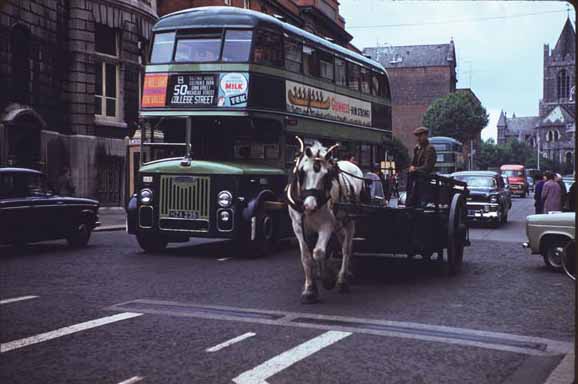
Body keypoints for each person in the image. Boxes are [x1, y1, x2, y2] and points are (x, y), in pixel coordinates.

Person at [406, 126, 436, 207]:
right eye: (417, 136)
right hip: (418, 177)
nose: (418, 138)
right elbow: (413, 163)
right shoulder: (418, 149)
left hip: (426, 178)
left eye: (420, 136)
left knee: (419, 183)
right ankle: (409, 201)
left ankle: (419, 202)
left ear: (425, 136)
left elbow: (428, 167)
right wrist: (411, 168)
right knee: (409, 176)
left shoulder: (430, 149)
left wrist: (415, 169)